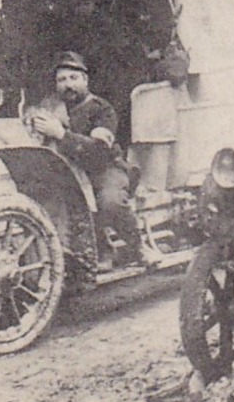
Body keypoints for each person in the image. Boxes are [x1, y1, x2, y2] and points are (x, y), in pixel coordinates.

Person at [28, 51, 159, 268]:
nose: (67, 85)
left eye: (73, 78)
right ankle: (98, 251)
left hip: (104, 169)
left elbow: (99, 151)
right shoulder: (50, 108)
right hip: (67, 171)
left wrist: (61, 134)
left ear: (85, 80)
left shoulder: (101, 109)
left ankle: (138, 247)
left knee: (110, 200)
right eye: (62, 80)